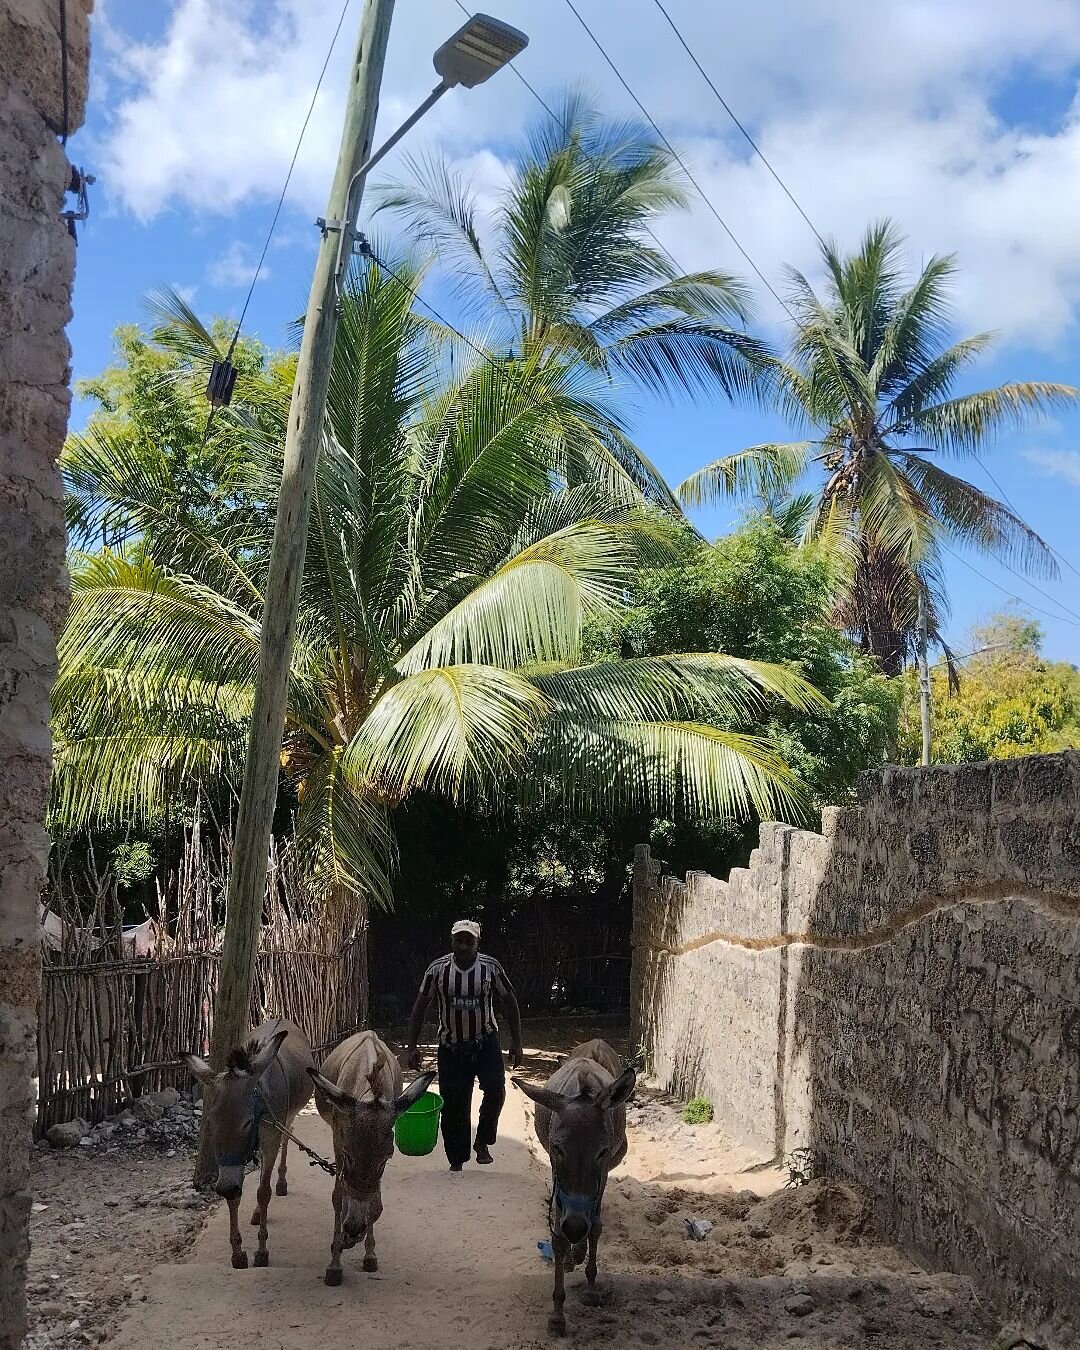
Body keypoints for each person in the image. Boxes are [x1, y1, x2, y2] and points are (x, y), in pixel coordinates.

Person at [405, 920, 524, 1172]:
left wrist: (517, 1041)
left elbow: (510, 1001)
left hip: (485, 1042)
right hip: (451, 1047)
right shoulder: (437, 970)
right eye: (459, 940)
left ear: (477, 943)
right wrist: (412, 1046)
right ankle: (457, 1160)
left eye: (469, 941)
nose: (463, 946)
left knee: (495, 1089)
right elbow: (420, 1007)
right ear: (452, 941)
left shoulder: (490, 968)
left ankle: (483, 1140)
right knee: (454, 1104)